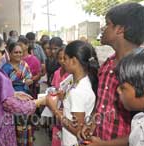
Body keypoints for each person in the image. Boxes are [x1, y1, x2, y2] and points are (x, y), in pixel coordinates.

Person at [77, 2, 144, 146]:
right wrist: (91, 124)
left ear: (119, 29)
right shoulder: (107, 64)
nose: (103, 28)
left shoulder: (140, 70)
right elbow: (102, 105)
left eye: (107, 24)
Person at [46, 40, 99, 146]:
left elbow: (78, 130)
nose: (63, 62)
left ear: (74, 61)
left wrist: (55, 110)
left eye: (65, 59)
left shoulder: (78, 91)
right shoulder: (81, 80)